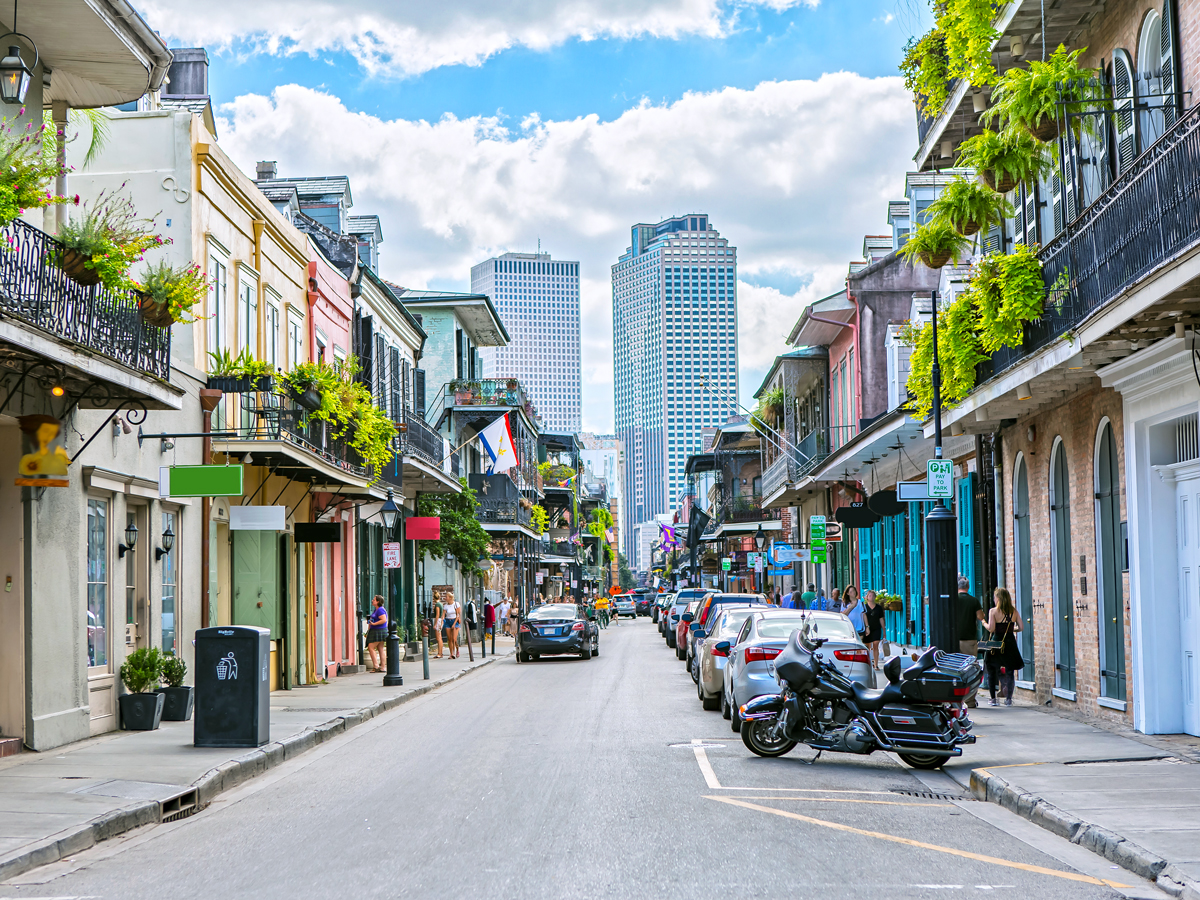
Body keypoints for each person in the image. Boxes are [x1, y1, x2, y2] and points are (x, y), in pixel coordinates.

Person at [983, 587, 1024, 706]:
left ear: (998, 598)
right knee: (1010, 670)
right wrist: (1010, 629)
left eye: (995, 597)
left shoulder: (993, 611)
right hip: (1010, 642)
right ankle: (1009, 699)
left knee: (991, 669)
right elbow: (1021, 628)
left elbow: (991, 628)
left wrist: (984, 623)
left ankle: (993, 699)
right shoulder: (1014, 612)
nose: (994, 599)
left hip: (997, 643)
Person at [955, 576, 985, 707]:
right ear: (968, 587)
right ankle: (970, 700)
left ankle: (955, 700)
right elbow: (980, 617)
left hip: (954, 639)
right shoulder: (973, 601)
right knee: (970, 670)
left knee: (954, 670)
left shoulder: (953, 599)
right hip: (969, 639)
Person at [863, 590, 885, 668]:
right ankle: (868, 664)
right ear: (867, 597)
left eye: (873, 596)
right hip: (867, 629)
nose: (871, 597)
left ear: (875, 597)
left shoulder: (878, 608)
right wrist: (866, 627)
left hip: (876, 628)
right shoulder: (864, 607)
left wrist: (884, 630)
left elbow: (881, 619)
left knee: (876, 645)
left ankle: (876, 664)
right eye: (870, 596)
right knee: (867, 647)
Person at [365, 595, 388, 672]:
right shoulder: (376, 610)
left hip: (378, 630)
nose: (372, 600)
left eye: (374, 600)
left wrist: (374, 624)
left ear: (378, 601)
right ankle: (383, 667)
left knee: (371, 647)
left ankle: (376, 665)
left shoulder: (380, 610)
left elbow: (383, 620)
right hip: (379, 630)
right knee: (380, 648)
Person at [443, 592, 460, 659]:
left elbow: (458, 614)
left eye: (446, 597)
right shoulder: (445, 605)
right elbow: (443, 614)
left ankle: (457, 649)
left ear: (450, 598)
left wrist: (454, 624)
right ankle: (451, 653)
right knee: (449, 639)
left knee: (454, 639)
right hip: (448, 621)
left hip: (454, 621)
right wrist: (442, 620)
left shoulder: (456, 604)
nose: (445, 598)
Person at [432, 592, 445, 658]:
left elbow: (437, 615)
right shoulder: (441, 604)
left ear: (434, 597)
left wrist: (435, 624)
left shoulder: (437, 605)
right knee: (440, 637)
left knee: (438, 637)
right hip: (441, 620)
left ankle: (439, 653)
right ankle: (441, 652)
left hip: (438, 620)